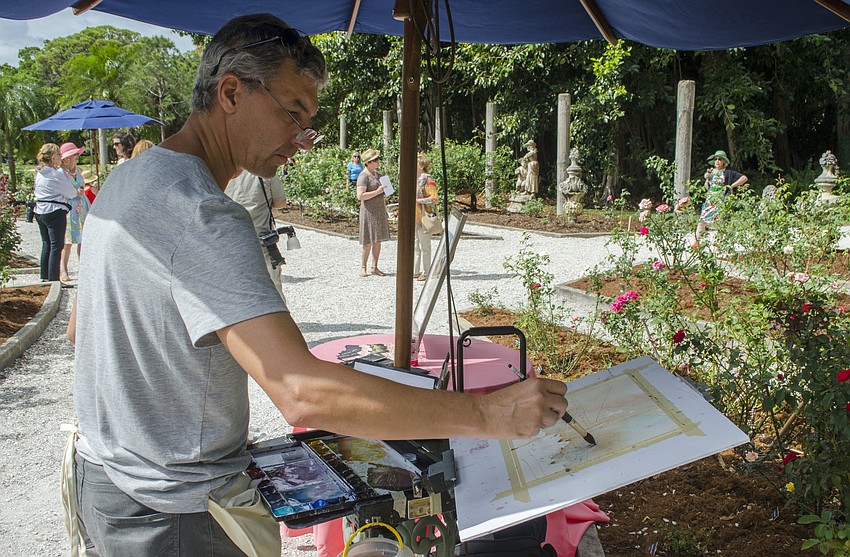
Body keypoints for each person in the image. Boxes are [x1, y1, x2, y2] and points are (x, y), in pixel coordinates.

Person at [65, 14, 566, 557]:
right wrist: (489, 414)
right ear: (230, 92)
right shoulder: (205, 214)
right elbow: (301, 393)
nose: (301, 140)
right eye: (292, 113)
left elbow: (78, 331)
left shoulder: (129, 180)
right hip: (174, 514)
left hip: (107, 480)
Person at [225, 168, 288, 301]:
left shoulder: (223, 171)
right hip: (262, 240)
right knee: (273, 286)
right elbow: (281, 202)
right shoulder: (265, 171)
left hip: (230, 240)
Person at [33, 143, 76, 284]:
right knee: (56, 246)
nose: (60, 158)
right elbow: (70, 192)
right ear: (52, 158)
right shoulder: (55, 175)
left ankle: (44, 275)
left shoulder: (40, 173)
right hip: (54, 211)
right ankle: (54, 279)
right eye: (58, 156)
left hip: (40, 210)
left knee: (46, 244)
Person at [693, 150, 747, 246]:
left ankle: (717, 245)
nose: (717, 161)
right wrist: (707, 179)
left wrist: (731, 186)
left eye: (719, 159)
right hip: (710, 199)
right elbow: (706, 187)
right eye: (715, 159)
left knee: (721, 222)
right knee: (702, 220)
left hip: (721, 199)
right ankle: (697, 242)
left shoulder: (728, 172)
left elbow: (744, 178)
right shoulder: (711, 172)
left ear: (724, 162)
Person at [58, 142, 90, 283]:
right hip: (69, 208)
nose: (77, 157)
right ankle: (63, 270)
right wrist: (75, 192)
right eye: (74, 155)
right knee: (67, 241)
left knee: (82, 240)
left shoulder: (78, 172)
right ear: (66, 158)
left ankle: (83, 269)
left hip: (81, 208)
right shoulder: (61, 174)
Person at [356, 148, 390, 277]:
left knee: (378, 240)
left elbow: (386, 192)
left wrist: (386, 191)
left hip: (379, 209)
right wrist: (378, 191)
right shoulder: (363, 176)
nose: (378, 161)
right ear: (368, 162)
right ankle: (363, 267)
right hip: (369, 211)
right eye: (375, 160)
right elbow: (360, 196)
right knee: (367, 241)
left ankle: (374, 266)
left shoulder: (379, 175)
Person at [414, 153, 439, 281]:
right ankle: (415, 270)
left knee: (425, 246)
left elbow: (434, 198)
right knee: (415, 245)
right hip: (415, 216)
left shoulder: (428, 180)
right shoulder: (414, 178)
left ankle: (427, 271)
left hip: (424, 216)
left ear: (422, 165)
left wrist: (419, 201)